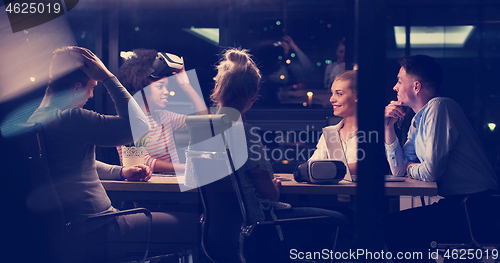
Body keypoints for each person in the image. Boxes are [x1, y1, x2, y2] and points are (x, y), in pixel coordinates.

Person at [27, 46, 196, 262]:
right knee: (196, 224)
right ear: (76, 88)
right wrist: (107, 77)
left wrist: (121, 172)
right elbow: (137, 127)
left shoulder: (37, 119)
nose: (91, 95)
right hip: (101, 227)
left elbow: (79, 164)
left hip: (75, 229)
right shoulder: (71, 118)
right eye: (92, 88)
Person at [204, 48, 349, 258]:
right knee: (342, 222)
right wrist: (273, 186)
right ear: (253, 94)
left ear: (217, 88)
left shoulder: (201, 131)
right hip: (262, 229)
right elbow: (271, 195)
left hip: (218, 234)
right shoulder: (245, 134)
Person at [384, 54, 499, 261]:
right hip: (460, 205)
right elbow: (399, 170)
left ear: (416, 86)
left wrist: (410, 166)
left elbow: (429, 172)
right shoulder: (418, 121)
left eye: (399, 81)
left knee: (394, 227)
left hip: (476, 209)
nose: (395, 87)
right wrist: (388, 127)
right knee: (396, 227)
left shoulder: (439, 107)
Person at [118, 49, 208, 174]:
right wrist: (187, 168)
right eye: (160, 86)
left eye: (167, 86)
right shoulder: (126, 122)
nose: (166, 92)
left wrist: (185, 85)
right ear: (143, 88)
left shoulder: (163, 117)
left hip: (169, 185)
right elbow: (144, 161)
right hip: (143, 189)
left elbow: (205, 120)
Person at [310, 70, 358, 176]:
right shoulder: (331, 132)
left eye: (339, 94)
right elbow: (312, 166)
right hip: (334, 193)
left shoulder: (374, 132)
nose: (332, 99)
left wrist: (325, 170)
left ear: (357, 97)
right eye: (332, 93)